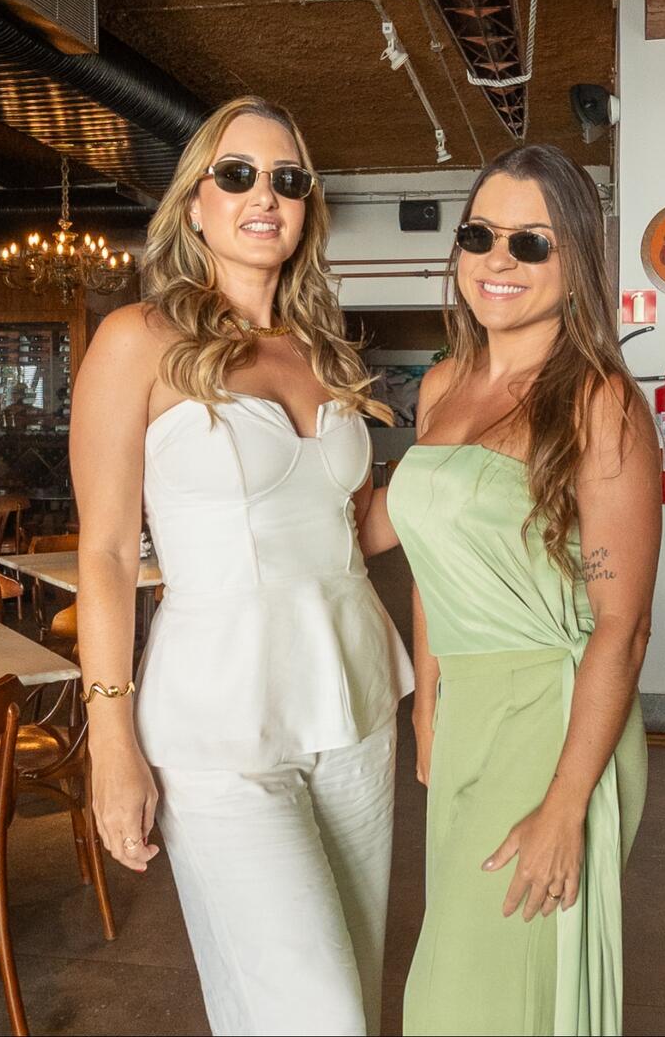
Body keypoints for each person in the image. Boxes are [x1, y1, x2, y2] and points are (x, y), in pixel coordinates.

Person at [71, 95, 412, 1036]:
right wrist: (109, 741)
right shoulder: (137, 340)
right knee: (318, 1016)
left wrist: (464, 462)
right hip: (216, 723)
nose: (266, 195)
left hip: (353, 704)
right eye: (238, 175)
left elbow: (349, 529)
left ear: (307, 209)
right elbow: (106, 553)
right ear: (196, 204)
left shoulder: (325, 351)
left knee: (354, 990)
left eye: (287, 180)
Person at [365, 144, 660, 1035]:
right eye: (480, 235)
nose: (499, 259)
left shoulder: (599, 401)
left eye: (532, 242)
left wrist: (565, 805)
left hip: (554, 717)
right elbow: (430, 559)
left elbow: (623, 627)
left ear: (576, 262)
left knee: (480, 995)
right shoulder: (442, 385)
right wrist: (427, 705)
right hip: (467, 715)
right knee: (462, 980)